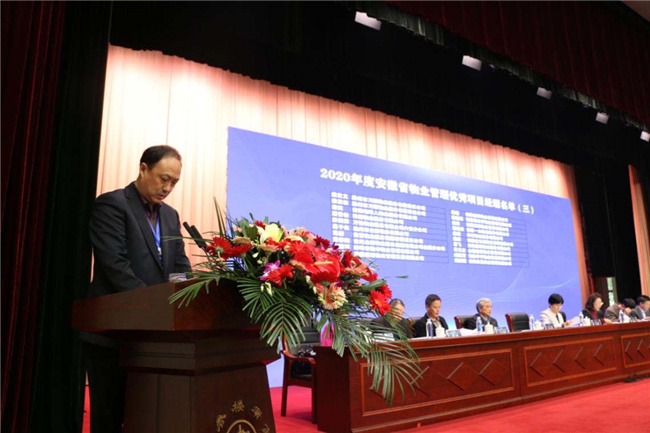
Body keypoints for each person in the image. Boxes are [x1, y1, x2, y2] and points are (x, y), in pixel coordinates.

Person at [82, 145, 191, 433]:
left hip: (154, 337)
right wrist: (156, 306)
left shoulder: (170, 216)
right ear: (143, 168)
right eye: (163, 178)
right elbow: (115, 266)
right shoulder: (112, 205)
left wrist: (182, 297)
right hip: (113, 333)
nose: (167, 188)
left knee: (145, 417)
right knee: (109, 419)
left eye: (174, 182)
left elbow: (179, 265)